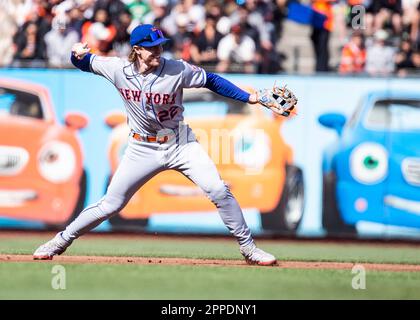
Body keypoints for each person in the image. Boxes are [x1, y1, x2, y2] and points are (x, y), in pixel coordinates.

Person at [33, 24, 277, 266]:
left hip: (181, 143)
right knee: (111, 204)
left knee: (218, 190)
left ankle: (249, 249)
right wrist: (75, 53)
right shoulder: (117, 68)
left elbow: (211, 80)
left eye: (160, 46)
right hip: (142, 148)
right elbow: (83, 62)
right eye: (151, 48)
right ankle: (59, 241)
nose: (158, 51)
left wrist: (250, 97)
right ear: (137, 49)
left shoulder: (177, 69)